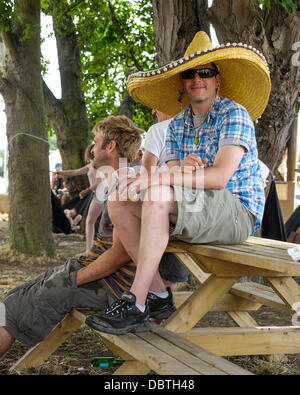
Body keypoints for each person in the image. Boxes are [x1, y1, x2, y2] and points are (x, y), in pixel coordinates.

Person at [85, 31, 271, 335]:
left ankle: (137, 302)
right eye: (190, 73)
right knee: (118, 199)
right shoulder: (177, 124)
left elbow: (219, 177)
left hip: (237, 211)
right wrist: (176, 171)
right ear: (182, 82)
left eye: (206, 72)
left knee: (156, 190)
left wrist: (161, 175)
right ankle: (158, 294)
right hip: (198, 206)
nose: (198, 78)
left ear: (217, 79)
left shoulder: (234, 114)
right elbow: (175, 175)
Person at [0, 115, 181, 358]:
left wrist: (76, 278)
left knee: (15, 307)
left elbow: (121, 253)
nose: (92, 148)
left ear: (110, 146)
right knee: (12, 297)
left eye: (96, 142)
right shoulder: (122, 178)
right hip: (99, 271)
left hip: (112, 284)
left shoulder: (129, 184)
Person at [57, 143, 108, 257]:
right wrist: (61, 172)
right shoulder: (91, 165)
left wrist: (87, 191)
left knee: (90, 221)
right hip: (100, 193)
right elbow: (75, 172)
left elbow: (99, 181)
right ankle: (92, 249)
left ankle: (89, 250)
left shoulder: (97, 164)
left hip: (101, 193)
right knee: (95, 221)